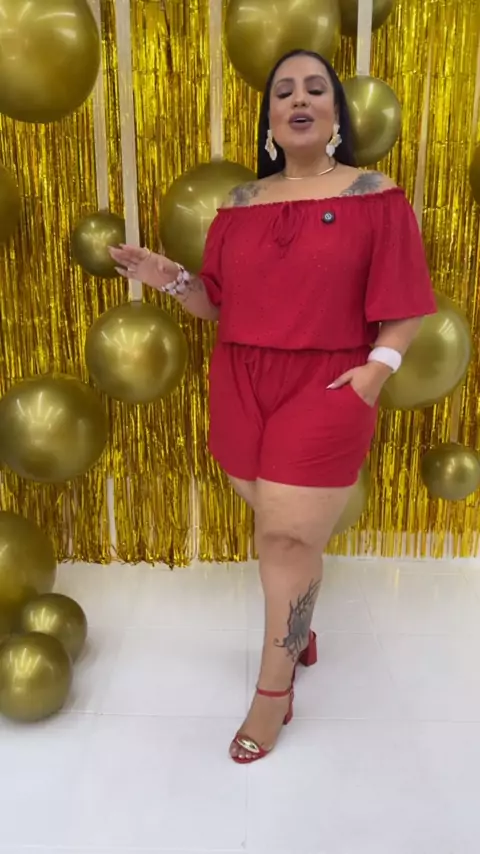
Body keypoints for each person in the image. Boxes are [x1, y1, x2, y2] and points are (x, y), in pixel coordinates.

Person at [109, 49, 436, 765]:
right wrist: (170, 278)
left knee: (284, 541)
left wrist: (376, 373)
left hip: (327, 382)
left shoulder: (375, 195)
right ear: (269, 120)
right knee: (283, 528)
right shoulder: (240, 204)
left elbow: (408, 302)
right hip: (240, 380)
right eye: (283, 91)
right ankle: (300, 630)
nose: (298, 99)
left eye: (315, 88)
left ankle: (273, 690)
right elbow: (215, 303)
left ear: (336, 113)